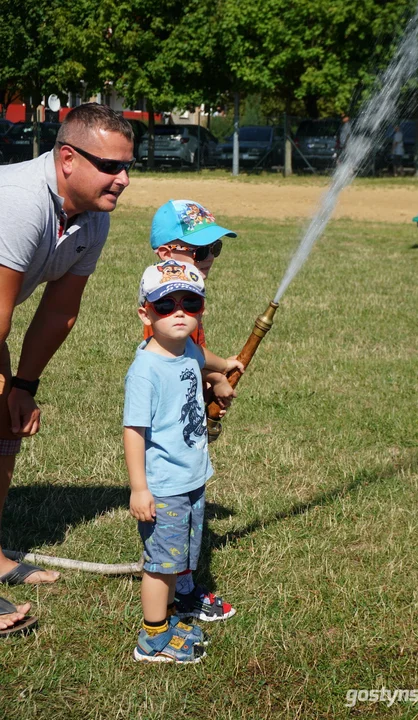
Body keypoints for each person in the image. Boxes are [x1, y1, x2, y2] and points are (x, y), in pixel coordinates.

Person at [0, 102, 134, 600]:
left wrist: (23, 386)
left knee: (4, 423)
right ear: (68, 159)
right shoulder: (19, 199)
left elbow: (60, 312)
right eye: (110, 166)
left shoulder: (92, 218)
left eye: (127, 167)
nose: (122, 180)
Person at [124, 260, 242, 663]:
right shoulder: (146, 371)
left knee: (178, 559)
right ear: (145, 313)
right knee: (161, 564)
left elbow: (201, 356)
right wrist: (140, 487)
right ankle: (152, 638)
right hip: (164, 486)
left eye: (190, 303)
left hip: (191, 478)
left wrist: (223, 371)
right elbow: (134, 432)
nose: (179, 312)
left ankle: (171, 616)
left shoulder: (185, 347)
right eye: (165, 304)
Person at [148, 199, 239, 621]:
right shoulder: (165, 303)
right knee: (178, 521)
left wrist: (214, 376)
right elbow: (184, 354)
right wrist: (217, 375)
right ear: (167, 253)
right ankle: (177, 599)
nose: (210, 259)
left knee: (192, 517)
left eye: (214, 249)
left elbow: (194, 354)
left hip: (188, 437)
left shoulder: (184, 299)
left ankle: (181, 587)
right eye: (201, 251)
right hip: (170, 448)